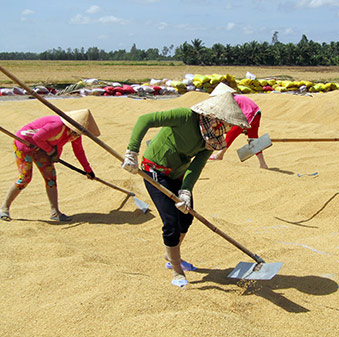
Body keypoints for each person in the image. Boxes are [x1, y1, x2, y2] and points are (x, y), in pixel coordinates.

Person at [121, 92, 250, 287]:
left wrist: (186, 191)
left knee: (186, 216)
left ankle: (171, 253)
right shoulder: (185, 116)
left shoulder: (212, 140)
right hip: (155, 170)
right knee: (171, 222)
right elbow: (145, 120)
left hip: (178, 176)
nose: (227, 128)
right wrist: (132, 151)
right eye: (226, 122)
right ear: (214, 117)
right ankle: (176, 270)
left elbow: (196, 166)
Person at [0, 109, 100, 222]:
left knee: (51, 178)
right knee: (25, 177)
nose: (77, 134)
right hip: (24, 144)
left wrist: (88, 170)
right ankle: (4, 207)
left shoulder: (76, 135)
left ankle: (55, 212)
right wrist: (50, 152)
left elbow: (79, 152)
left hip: (41, 149)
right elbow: (37, 137)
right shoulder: (57, 125)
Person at [208, 83, 269, 169]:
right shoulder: (236, 98)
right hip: (256, 113)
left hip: (249, 115)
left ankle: (219, 154)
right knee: (253, 139)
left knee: (231, 133)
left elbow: (228, 117)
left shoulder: (231, 101)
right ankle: (263, 164)